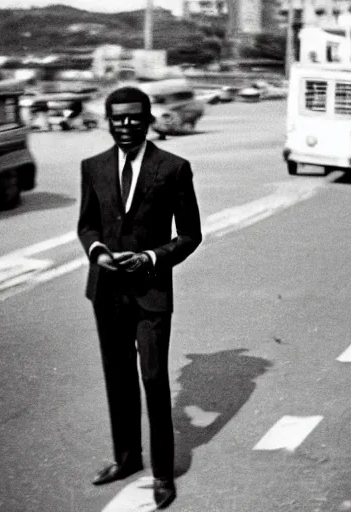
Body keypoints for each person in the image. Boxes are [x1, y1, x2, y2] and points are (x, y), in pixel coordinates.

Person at [77, 86, 202, 509]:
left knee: (152, 377)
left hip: (151, 292)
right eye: (118, 118)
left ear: (149, 120)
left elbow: (190, 235)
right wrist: (97, 253)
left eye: (134, 118)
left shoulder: (173, 168)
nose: (126, 126)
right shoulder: (92, 167)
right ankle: (127, 457)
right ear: (108, 121)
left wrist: (151, 257)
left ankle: (163, 473)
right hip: (106, 290)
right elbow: (87, 226)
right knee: (118, 377)